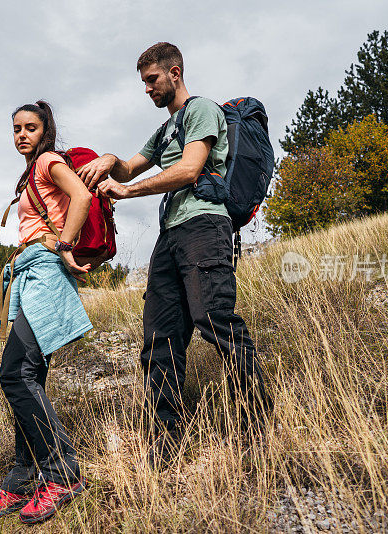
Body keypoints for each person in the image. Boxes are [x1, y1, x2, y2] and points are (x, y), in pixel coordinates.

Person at [78, 42, 272, 464]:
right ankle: (166, 441)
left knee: (214, 317)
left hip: (204, 224)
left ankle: (258, 421)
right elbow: (129, 166)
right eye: (143, 82)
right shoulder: (164, 130)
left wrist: (127, 191)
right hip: (170, 236)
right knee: (159, 336)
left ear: (175, 73)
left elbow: (189, 169)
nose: (147, 89)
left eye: (152, 80)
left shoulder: (202, 110)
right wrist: (111, 160)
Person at [0, 101, 91, 524]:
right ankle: (25, 476)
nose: (21, 135)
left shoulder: (46, 161)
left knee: (15, 373)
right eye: (15, 129)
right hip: (30, 272)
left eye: (29, 127)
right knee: (30, 375)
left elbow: (80, 195)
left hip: (45, 271)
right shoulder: (31, 173)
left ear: (44, 131)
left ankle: (62, 473)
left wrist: (63, 245)